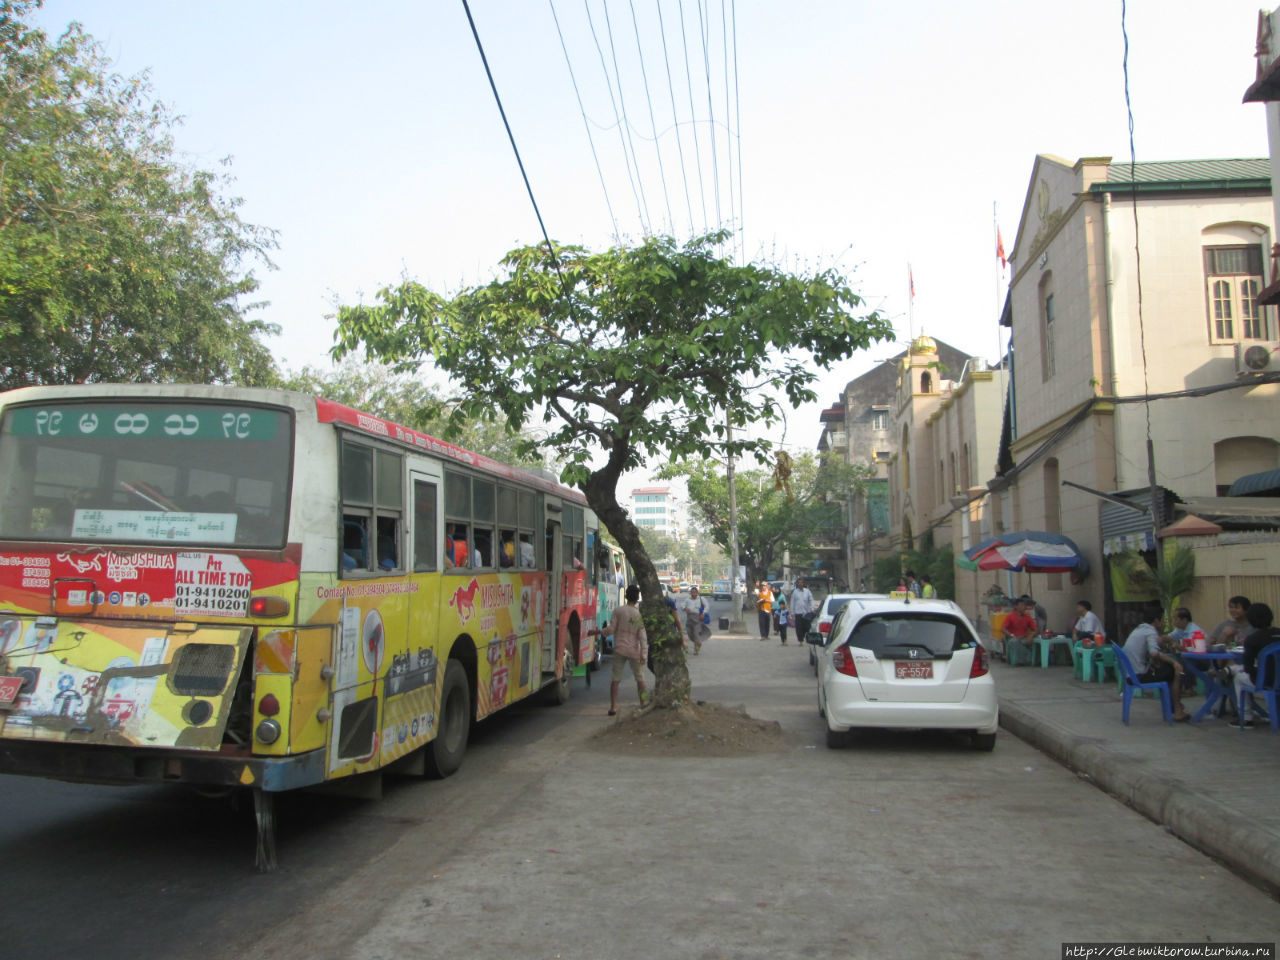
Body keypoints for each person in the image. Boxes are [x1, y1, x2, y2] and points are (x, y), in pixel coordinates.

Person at [1122, 601, 1189, 722]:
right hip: (1139, 675)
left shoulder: (1140, 629)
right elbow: (1154, 653)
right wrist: (1174, 662)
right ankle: (1178, 709)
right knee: (1175, 671)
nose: (1163, 622)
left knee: (1167, 670)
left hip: (1131, 673)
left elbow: (1150, 650)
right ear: (1156, 620)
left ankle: (1174, 707)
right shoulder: (1150, 631)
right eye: (1162, 619)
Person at [590, 584, 648, 716]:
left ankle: (613, 706)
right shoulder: (637, 614)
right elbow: (642, 637)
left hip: (619, 649)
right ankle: (643, 703)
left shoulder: (618, 611)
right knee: (640, 678)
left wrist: (597, 632)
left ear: (626, 596)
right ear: (637, 597)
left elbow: (610, 630)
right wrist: (644, 653)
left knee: (616, 679)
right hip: (634, 650)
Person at [1227, 602, 1280, 727]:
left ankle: (1246, 718)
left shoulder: (1252, 639)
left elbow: (1248, 667)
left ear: (1250, 620)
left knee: (1238, 677)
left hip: (1267, 681)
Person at [1001, 596, 1038, 665]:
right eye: (1022, 605)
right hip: (1013, 638)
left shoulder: (1027, 617)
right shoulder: (1010, 616)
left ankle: (1026, 660)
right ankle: (1027, 659)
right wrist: (1010, 635)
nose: (1024, 607)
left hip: (1024, 638)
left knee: (1034, 642)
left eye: (1025, 605)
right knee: (1014, 642)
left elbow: (1035, 629)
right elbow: (1003, 629)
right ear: (1016, 607)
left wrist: (1031, 636)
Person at [678, 586, 709, 655]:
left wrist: (703, 613)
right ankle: (697, 644)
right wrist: (685, 608)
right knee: (690, 633)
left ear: (697, 593)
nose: (693, 594)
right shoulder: (687, 599)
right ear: (690, 593)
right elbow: (682, 605)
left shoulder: (701, 599)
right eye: (692, 592)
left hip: (698, 619)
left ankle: (696, 650)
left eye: (695, 592)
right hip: (689, 619)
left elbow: (707, 606)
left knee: (696, 634)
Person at [790, 578, 816, 645]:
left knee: (807, 627)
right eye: (799, 583)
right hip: (798, 613)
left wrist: (812, 608)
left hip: (806, 612)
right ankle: (800, 640)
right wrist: (792, 612)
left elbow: (811, 600)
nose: (800, 584)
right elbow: (792, 602)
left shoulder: (807, 591)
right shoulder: (795, 592)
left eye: (801, 583)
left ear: (803, 584)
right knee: (799, 628)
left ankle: (805, 637)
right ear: (797, 584)